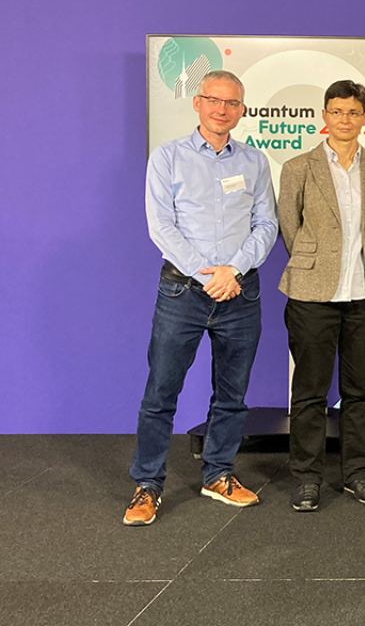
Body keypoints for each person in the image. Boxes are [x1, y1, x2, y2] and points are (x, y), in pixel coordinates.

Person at [124, 70, 278, 527]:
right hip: (183, 291)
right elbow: (161, 226)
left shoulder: (254, 161)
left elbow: (266, 225)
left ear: (242, 110)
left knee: (232, 395)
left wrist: (234, 270)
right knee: (161, 393)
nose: (221, 109)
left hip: (240, 291)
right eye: (213, 100)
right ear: (197, 103)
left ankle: (219, 474)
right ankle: (147, 485)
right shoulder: (168, 157)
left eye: (231, 103)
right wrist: (206, 274)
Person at [278, 80, 365, 512]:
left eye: (352, 112)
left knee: (362, 390)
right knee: (310, 391)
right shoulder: (298, 167)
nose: (344, 120)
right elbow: (290, 228)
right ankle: (307, 477)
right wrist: (317, 263)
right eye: (336, 111)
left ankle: (357, 473)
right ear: (323, 116)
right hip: (313, 293)